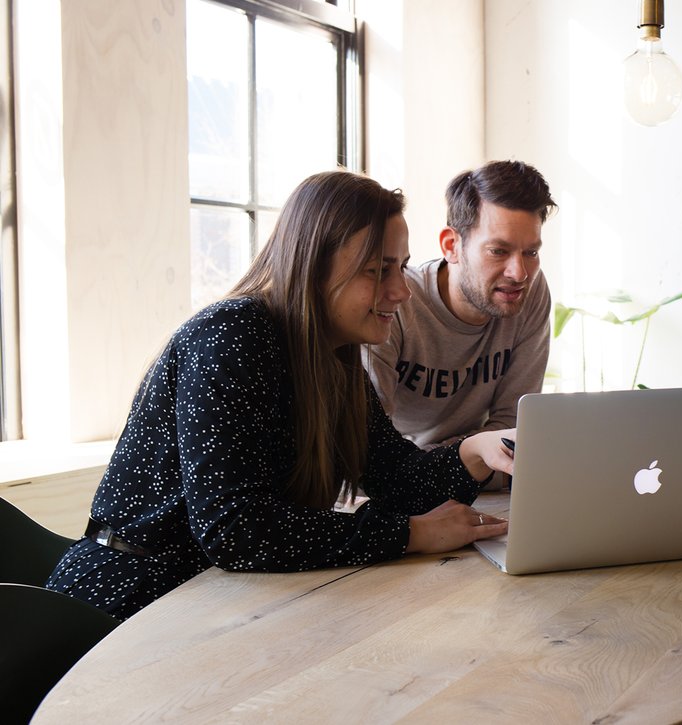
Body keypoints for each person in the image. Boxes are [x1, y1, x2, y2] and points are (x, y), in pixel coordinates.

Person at [46, 170, 512, 621]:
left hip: (220, 599)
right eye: (377, 270)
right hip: (127, 601)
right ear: (313, 266)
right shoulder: (231, 336)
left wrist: (477, 452)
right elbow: (237, 530)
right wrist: (409, 534)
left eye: (403, 267)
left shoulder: (334, 360)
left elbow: (396, 480)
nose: (400, 291)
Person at [364, 160, 555, 488]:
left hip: (479, 483)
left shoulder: (531, 293)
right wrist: (464, 459)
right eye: (498, 251)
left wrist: (468, 461)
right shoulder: (393, 303)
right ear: (452, 246)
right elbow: (367, 456)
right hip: (400, 485)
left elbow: (512, 434)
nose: (519, 273)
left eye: (531, 253)